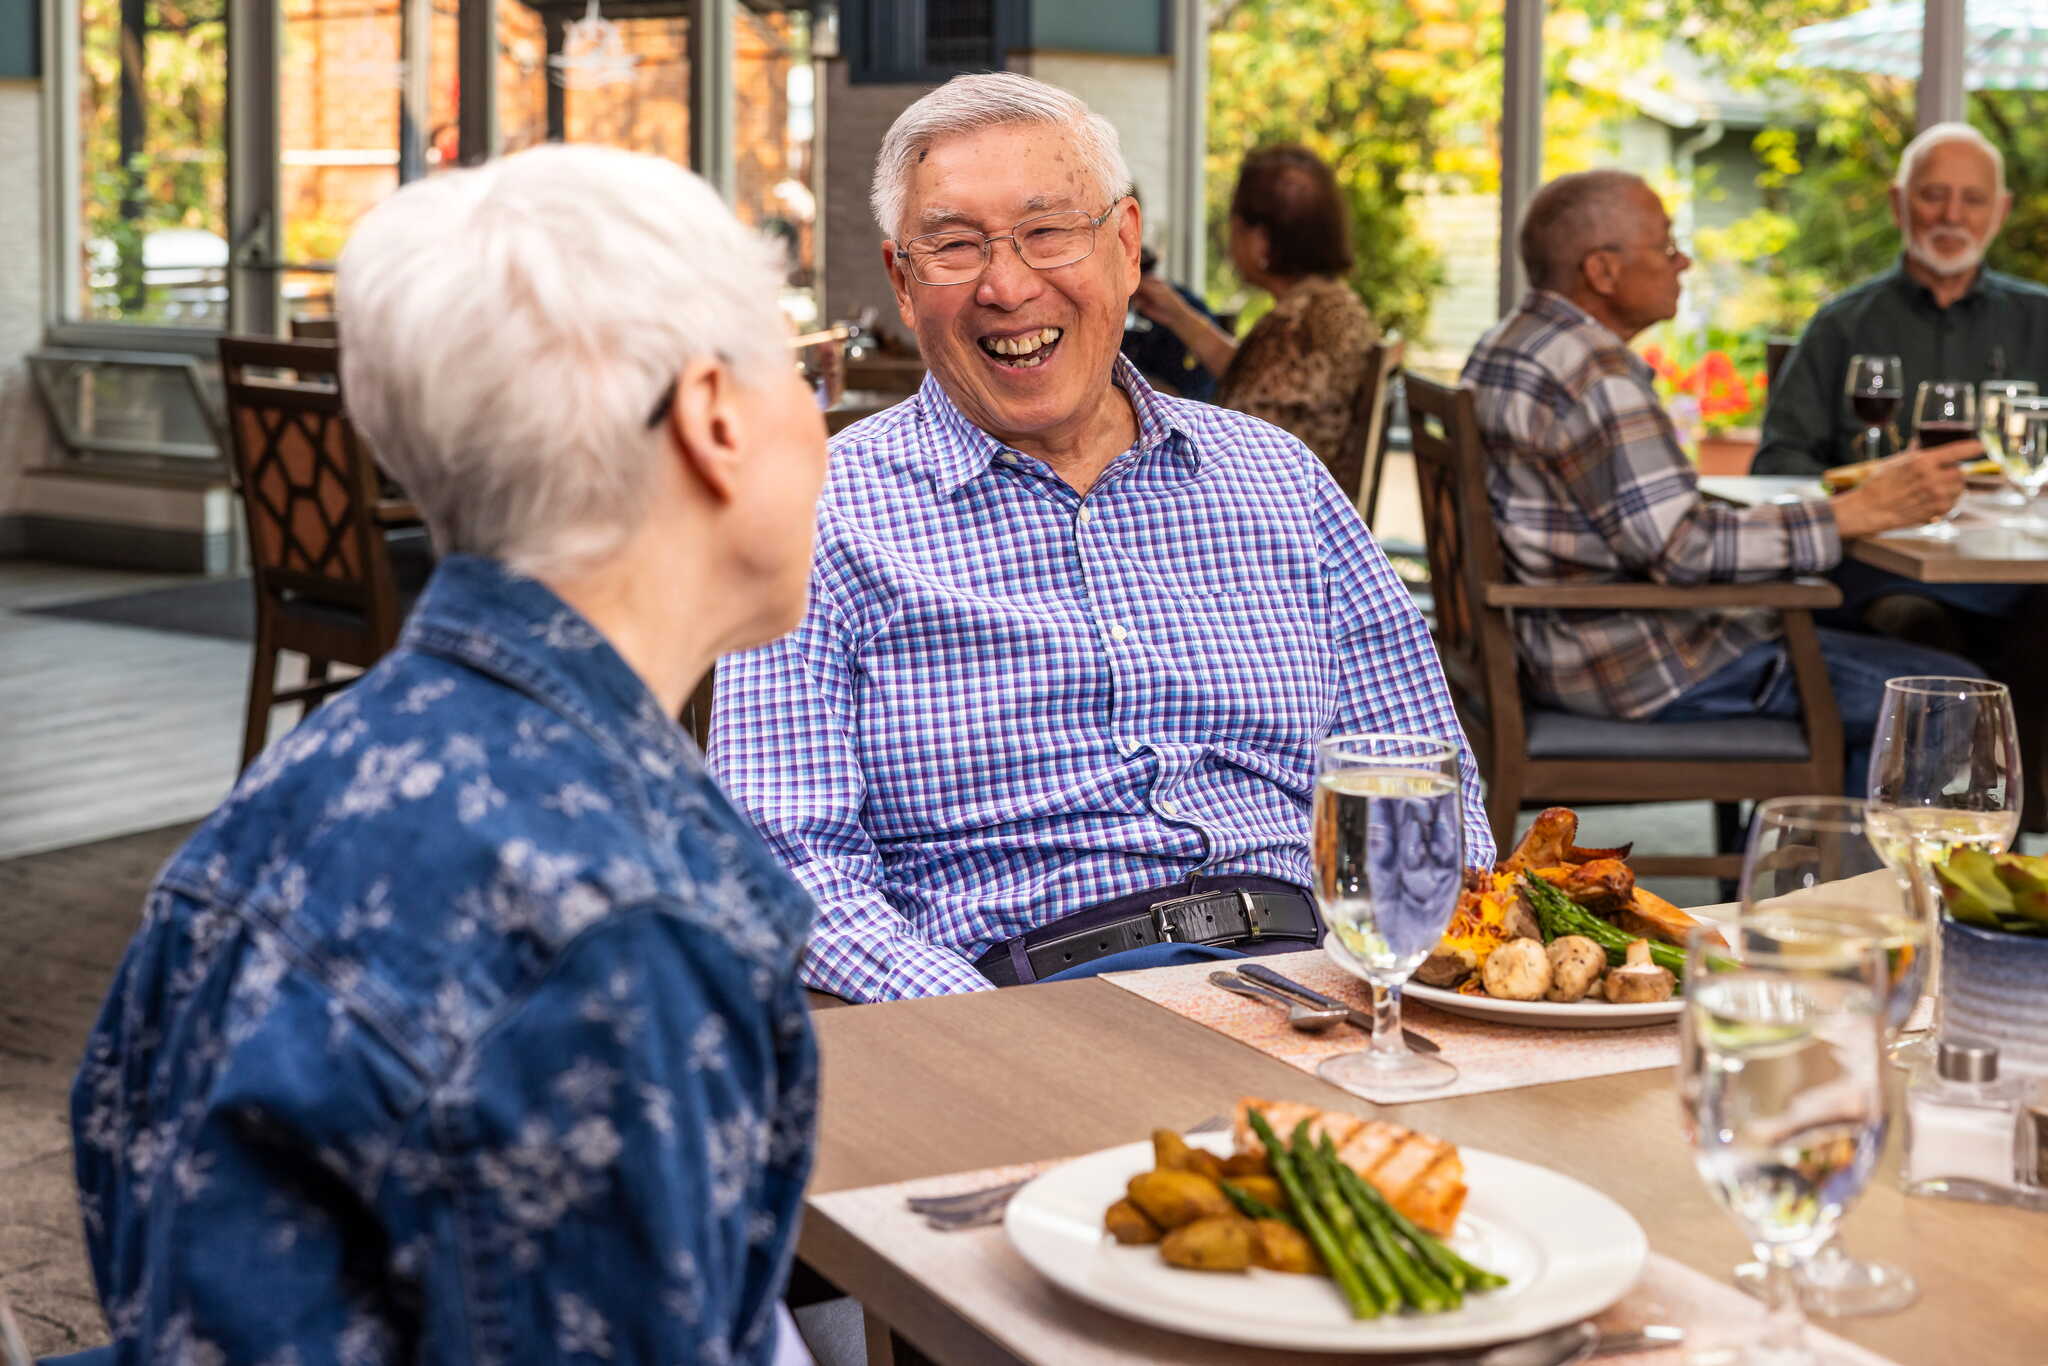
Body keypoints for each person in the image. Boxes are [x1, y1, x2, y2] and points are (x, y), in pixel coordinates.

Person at [69, 146, 827, 1363]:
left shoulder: (294, 788)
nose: (823, 423)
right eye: (806, 372)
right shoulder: (613, 928)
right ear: (715, 418)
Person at [710, 73, 1490, 1004]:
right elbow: (787, 861)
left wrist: (1403, 970)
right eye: (955, 246)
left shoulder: (1277, 480)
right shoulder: (817, 512)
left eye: (1048, 232)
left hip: (1316, 980)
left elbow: (1422, 782)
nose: (1007, 285)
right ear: (903, 284)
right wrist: (986, 1032)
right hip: (1019, 1001)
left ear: (1125, 247)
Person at [1462, 169, 1983, 794]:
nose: (1681, 260)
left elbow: (1648, 523)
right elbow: (1683, 549)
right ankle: (1851, 883)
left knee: (1871, 636)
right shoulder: (1596, 373)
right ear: (1601, 271)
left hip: (1556, 648)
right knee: (1951, 698)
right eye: (1665, 245)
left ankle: (1800, 862)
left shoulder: (1511, 342)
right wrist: (1850, 516)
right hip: (1638, 664)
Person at [1751, 123, 2048, 822]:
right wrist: (1869, 486)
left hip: (2017, 577)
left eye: (1971, 200)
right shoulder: (1842, 325)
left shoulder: (2041, 319)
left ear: (1999, 210)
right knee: (1909, 624)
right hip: (1885, 577)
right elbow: (1778, 463)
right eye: (1934, 196)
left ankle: (2009, 846)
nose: (1951, 215)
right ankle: (1898, 848)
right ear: (1898, 203)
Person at [1131, 145, 1380, 494]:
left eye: (1235, 225)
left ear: (1261, 240)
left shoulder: (1294, 329)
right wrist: (1178, 315)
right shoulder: (1330, 305)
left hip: (1278, 502)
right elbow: (1254, 373)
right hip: (1309, 490)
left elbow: (1240, 428)